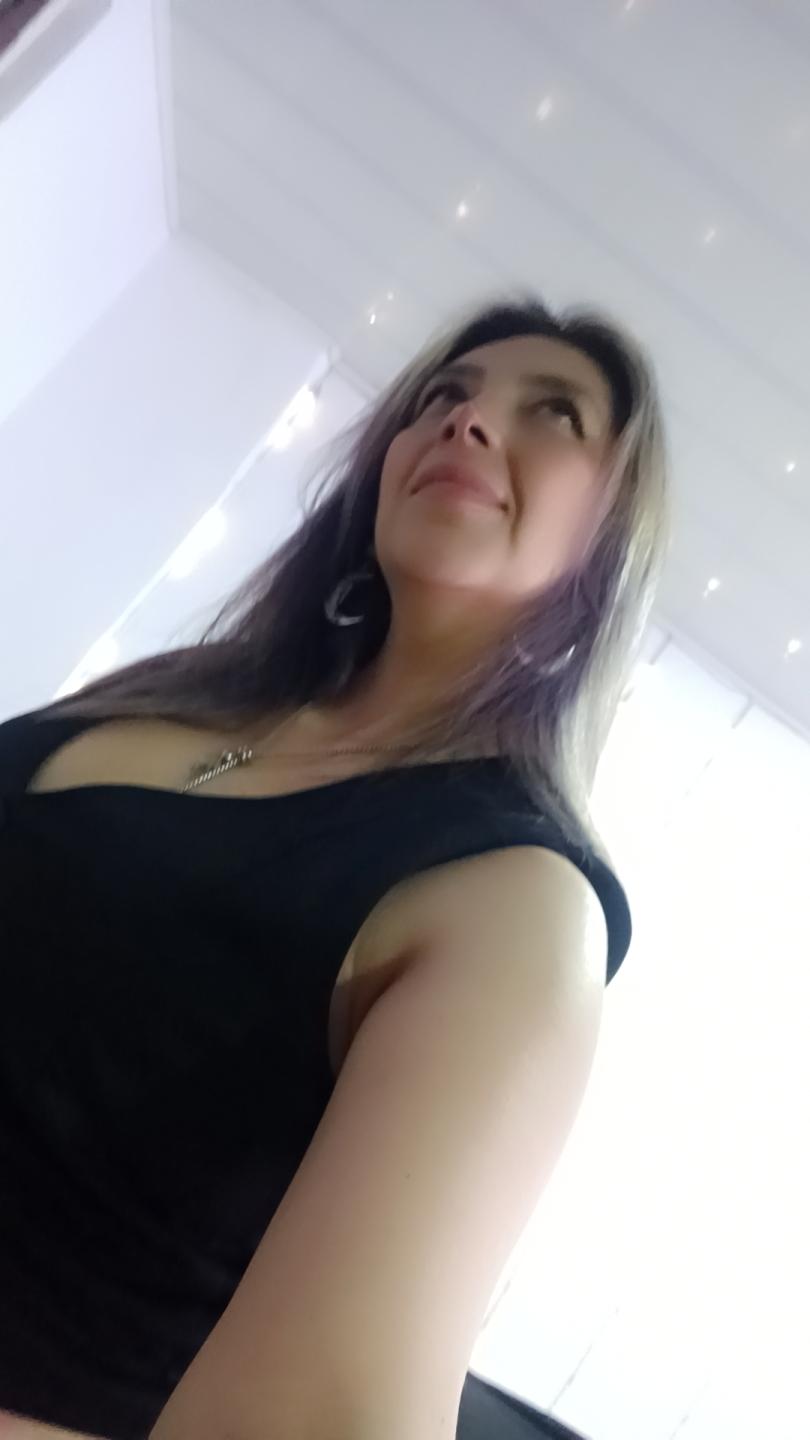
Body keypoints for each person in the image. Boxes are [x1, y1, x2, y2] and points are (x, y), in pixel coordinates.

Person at [0, 297, 670, 1440]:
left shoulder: (517, 899)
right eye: (443, 396)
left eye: (553, 412)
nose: (465, 422)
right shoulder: (178, 689)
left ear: (612, 538)